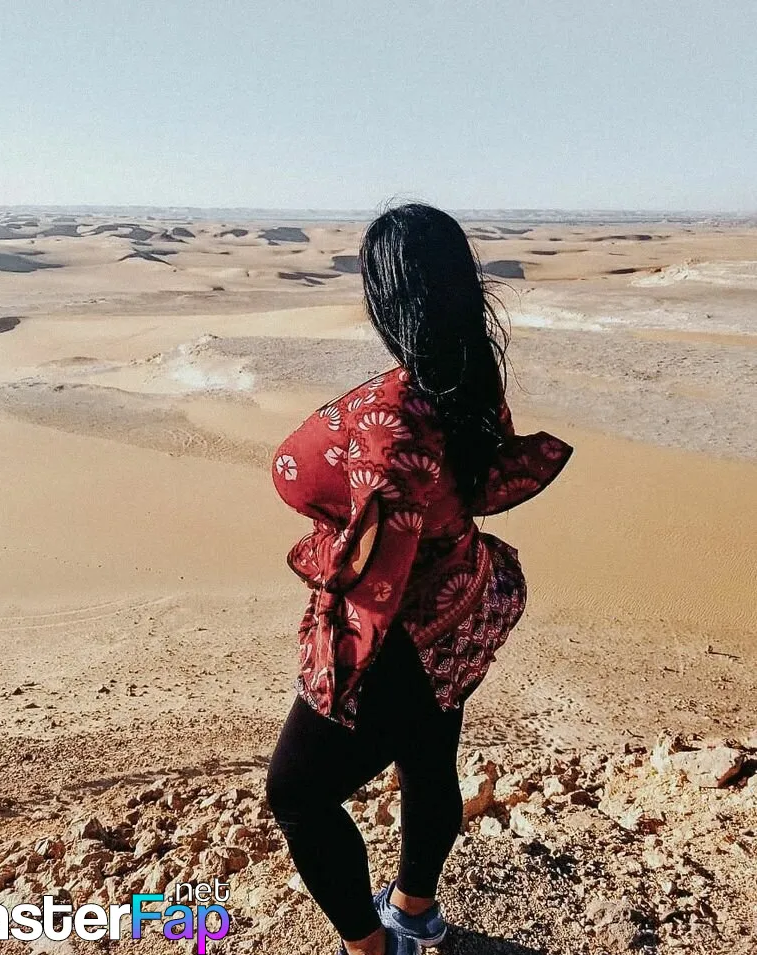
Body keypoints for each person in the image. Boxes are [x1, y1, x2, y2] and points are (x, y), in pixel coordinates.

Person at [265, 202, 573, 955]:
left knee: (296, 792)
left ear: (387, 298)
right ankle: (414, 911)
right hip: (463, 606)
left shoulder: (391, 416)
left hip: (404, 630)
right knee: (430, 755)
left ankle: (372, 947)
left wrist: (340, 659)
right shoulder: (469, 377)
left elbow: (374, 561)